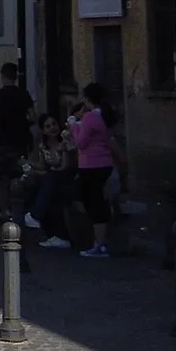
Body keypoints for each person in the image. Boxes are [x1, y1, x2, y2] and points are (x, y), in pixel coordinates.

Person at [69, 83, 126, 259]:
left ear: (87, 98)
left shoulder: (90, 118)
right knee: (95, 200)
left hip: (91, 164)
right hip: (104, 163)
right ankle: (99, 242)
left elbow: (80, 142)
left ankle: (100, 244)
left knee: (93, 203)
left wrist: (73, 125)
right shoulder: (105, 116)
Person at [0, 63, 35, 222]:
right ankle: (18, 205)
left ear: (3, 76)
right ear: (16, 77)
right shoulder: (24, 94)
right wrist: (24, 124)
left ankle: (0, 208)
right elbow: (33, 116)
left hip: (3, 141)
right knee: (20, 171)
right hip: (22, 139)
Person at [26, 113, 79, 248]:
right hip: (55, 179)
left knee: (49, 181)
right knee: (40, 188)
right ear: (43, 130)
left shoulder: (66, 139)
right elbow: (42, 165)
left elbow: (65, 166)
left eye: (54, 124)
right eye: (48, 126)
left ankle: (36, 215)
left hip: (70, 175)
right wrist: (28, 163)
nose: (52, 128)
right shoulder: (43, 146)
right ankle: (56, 235)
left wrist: (63, 151)